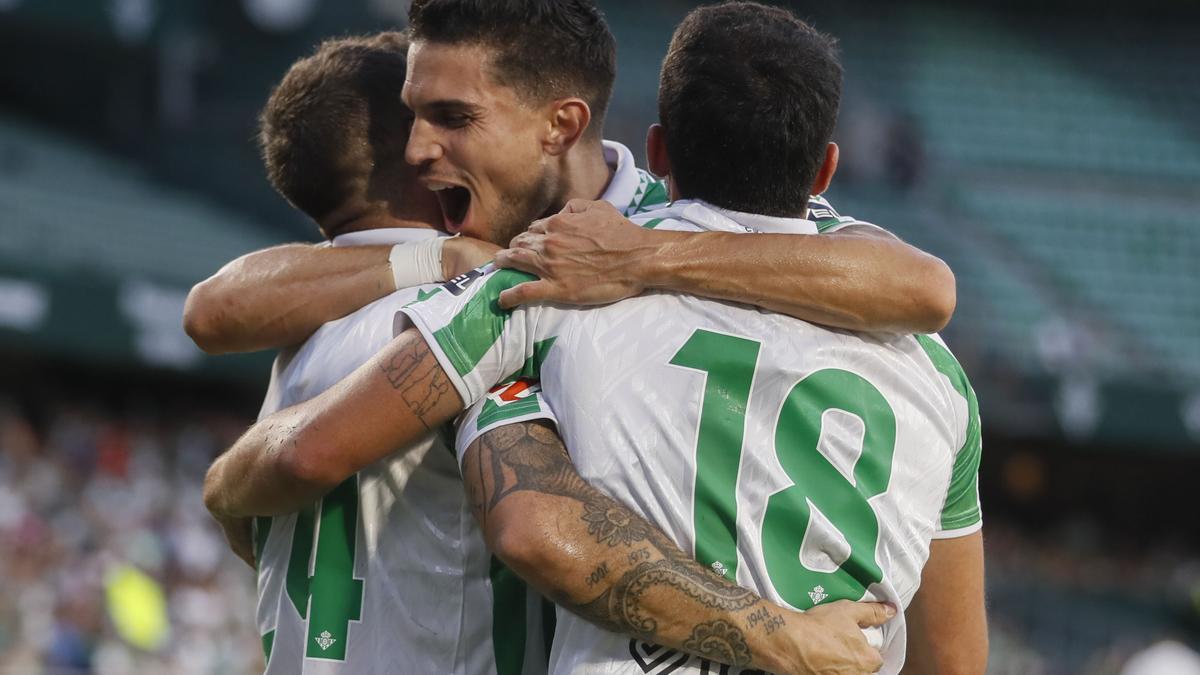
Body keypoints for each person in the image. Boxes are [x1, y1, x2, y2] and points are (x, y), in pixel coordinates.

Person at [204, 2, 988, 673]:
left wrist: (643, 256)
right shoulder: (465, 272)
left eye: (452, 117)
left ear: (563, 125)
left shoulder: (571, 285)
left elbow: (924, 288)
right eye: (413, 115)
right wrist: (439, 257)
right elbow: (213, 311)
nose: (415, 150)